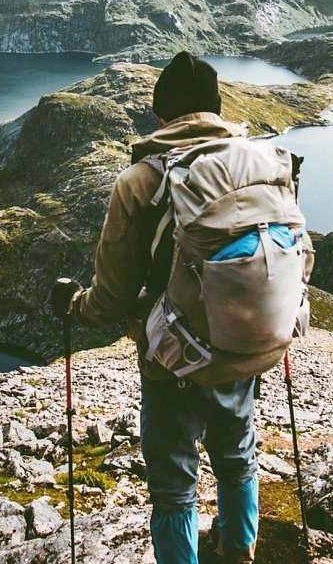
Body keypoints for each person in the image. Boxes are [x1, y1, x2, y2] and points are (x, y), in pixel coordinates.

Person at [51, 51, 260, 564]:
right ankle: (239, 550)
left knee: (173, 483)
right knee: (237, 457)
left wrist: (75, 307)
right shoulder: (259, 163)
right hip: (246, 337)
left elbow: (114, 295)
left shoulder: (140, 180)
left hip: (173, 355)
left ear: (161, 116)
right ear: (215, 107)